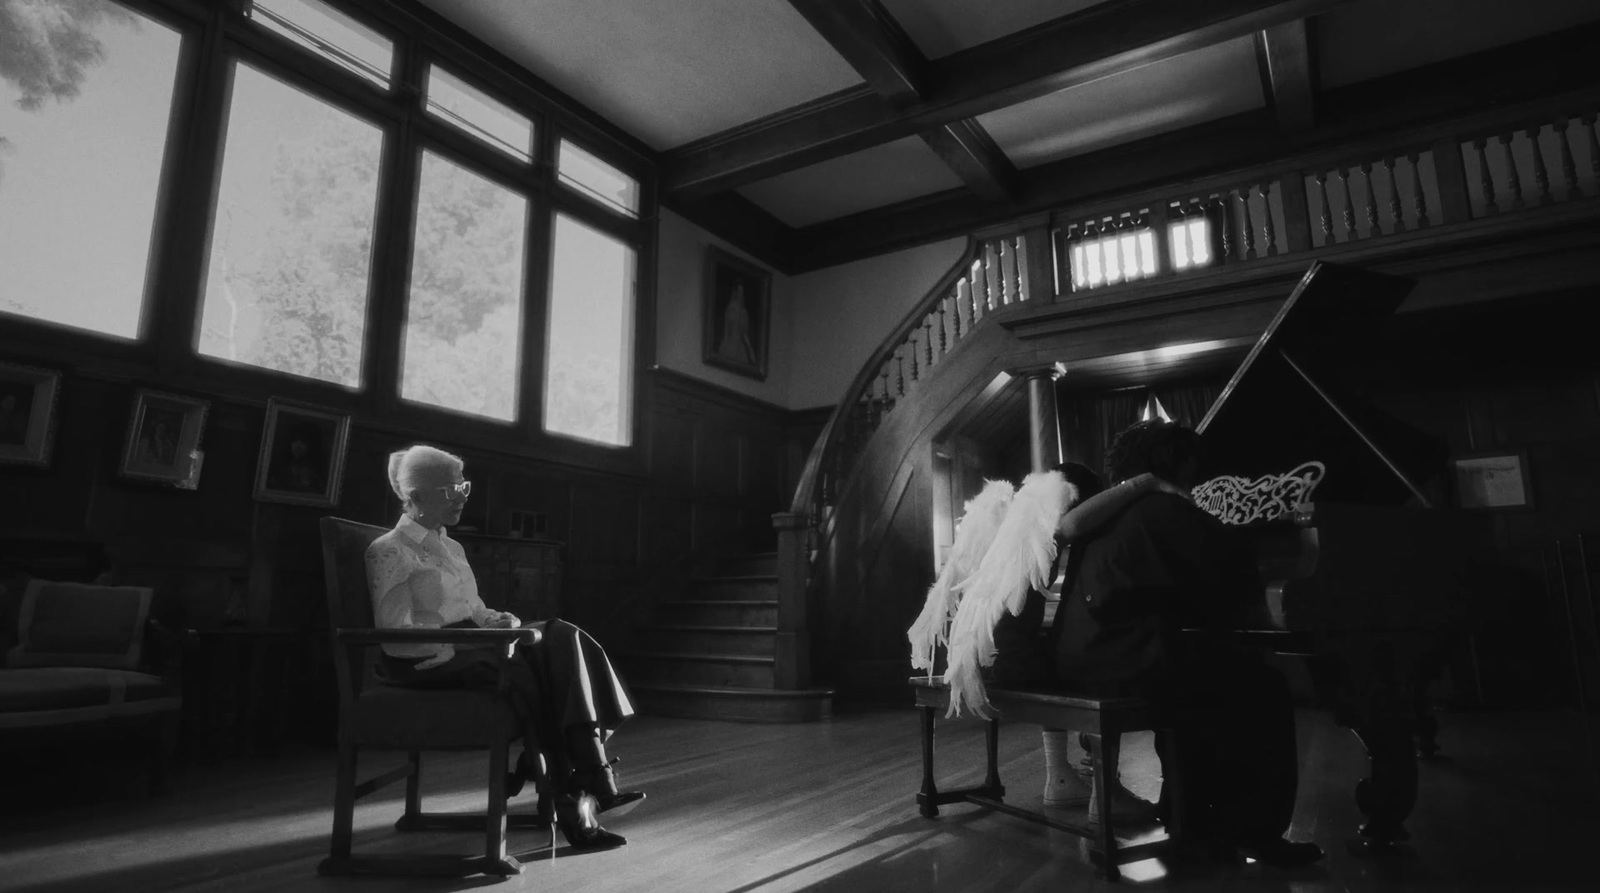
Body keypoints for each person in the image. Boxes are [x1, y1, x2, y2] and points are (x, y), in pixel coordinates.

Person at [1052, 420, 1323, 867]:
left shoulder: (1107, 511)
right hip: (1125, 661)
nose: (1199, 472)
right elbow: (1229, 579)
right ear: (1179, 461)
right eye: (1194, 461)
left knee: (1203, 676)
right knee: (1264, 687)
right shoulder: (1166, 509)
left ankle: (1191, 818)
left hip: (1085, 655)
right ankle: (1256, 832)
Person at [365, 444, 644, 850]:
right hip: (425, 659)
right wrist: (459, 644)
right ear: (416, 497)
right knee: (529, 669)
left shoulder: (452, 547)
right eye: (448, 490)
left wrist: (493, 621)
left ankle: (589, 774)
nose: (460, 496)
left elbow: (472, 608)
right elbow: (394, 632)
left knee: (560, 633)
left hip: (471, 644)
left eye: (462, 485)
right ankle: (578, 795)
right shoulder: (388, 550)